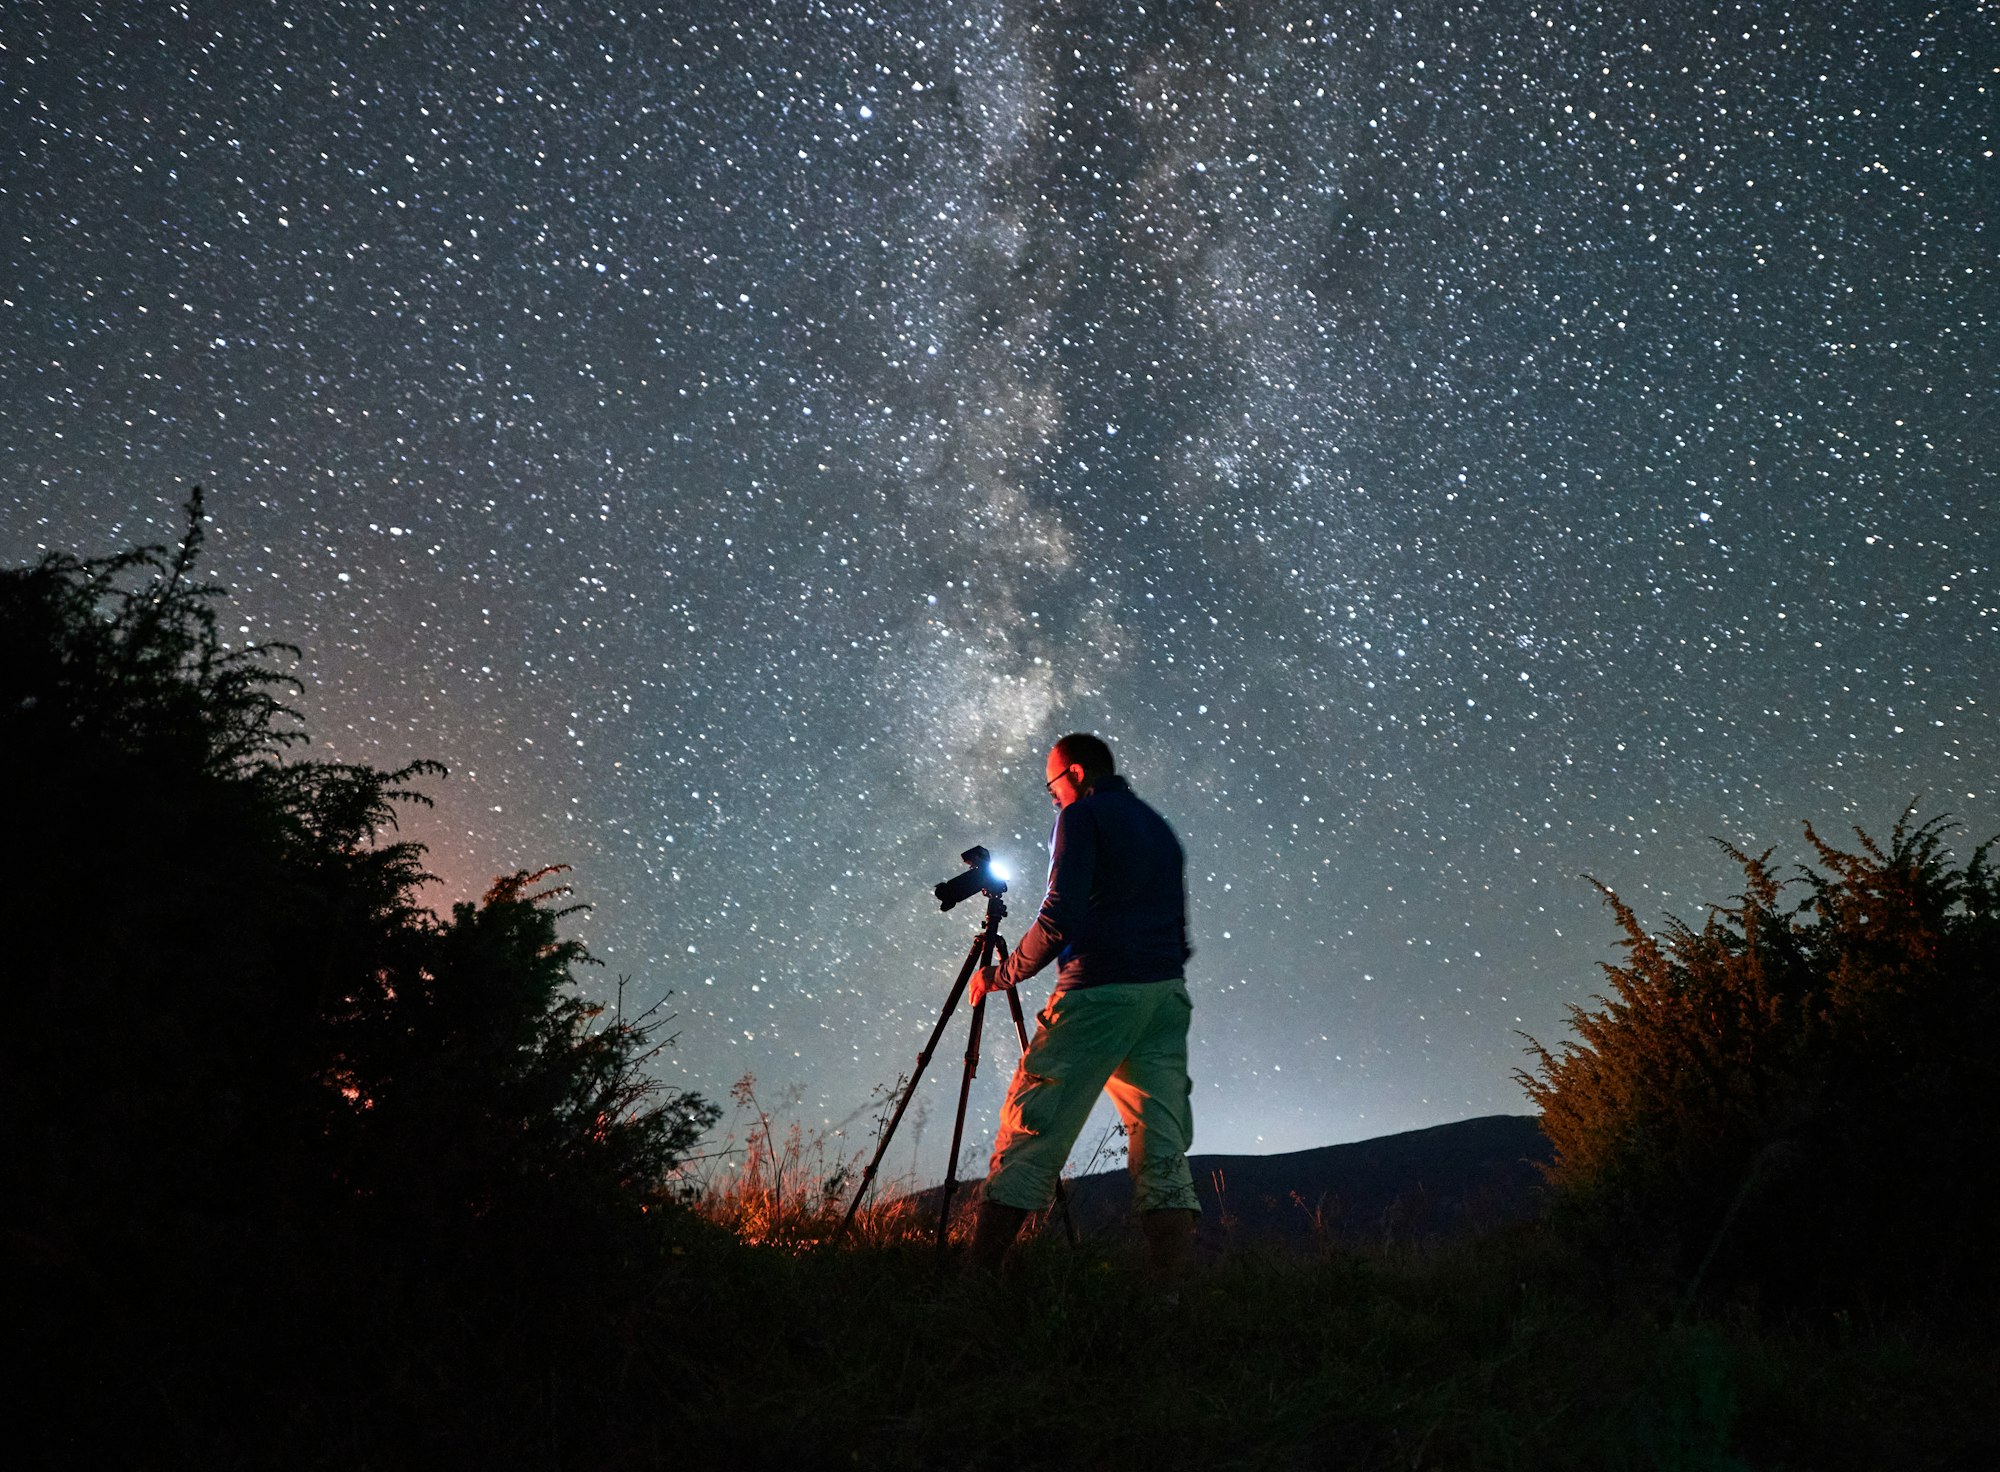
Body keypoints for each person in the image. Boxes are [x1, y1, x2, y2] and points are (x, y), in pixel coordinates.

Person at [966, 732, 1200, 1284]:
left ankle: (973, 1282)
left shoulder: (1081, 816)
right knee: (1161, 1142)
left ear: (1073, 773)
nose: (1051, 796)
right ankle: (1173, 1295)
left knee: (1033, 1124)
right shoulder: (1158, 827)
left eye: (1052, 784)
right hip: (1164, 998)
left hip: (1099, 991)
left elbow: (1059, 915)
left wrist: (1000, 976)